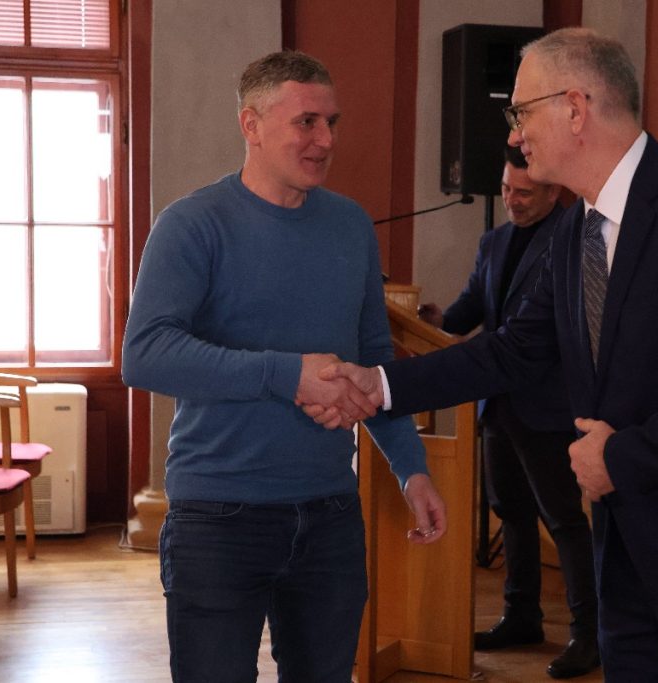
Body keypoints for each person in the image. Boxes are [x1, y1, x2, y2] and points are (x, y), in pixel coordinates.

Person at [306, 28, 658, 682]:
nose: (515, 134)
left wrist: (622, 456)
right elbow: (512, 353)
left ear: (576, 108)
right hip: (631, 558)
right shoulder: (575, 231)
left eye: (521, 112)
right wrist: (380, 386)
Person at [122, 50, 447, 683]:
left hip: (329, 514)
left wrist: (411, 469)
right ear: (252, 124)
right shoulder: (192, 224)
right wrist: (287, 375)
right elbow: (146, 353)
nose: (326, 140)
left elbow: (374, 362)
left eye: (332, 122)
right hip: (217, 519)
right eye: (306, 122)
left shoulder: (351, 226)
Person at [418, 145, 599, 679]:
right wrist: (437, 322)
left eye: (523, 193)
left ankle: (590, 633)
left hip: (547, 403)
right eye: (505, 190)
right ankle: (522, 616)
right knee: (510, 511)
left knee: (563, 520)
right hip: (496, 402)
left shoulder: (574, 238)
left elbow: (559, 328)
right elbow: (470, 310)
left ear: (553, 190)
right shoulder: (493, 242)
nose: (512, 201)